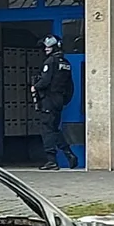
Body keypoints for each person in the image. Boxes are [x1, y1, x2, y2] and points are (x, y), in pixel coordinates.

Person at [31, 35, 78, 171]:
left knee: (47, 130)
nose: (46, 49)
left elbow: (45, 81)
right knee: (54, 128)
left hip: (49, 100)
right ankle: (69, 154)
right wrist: (64, 100)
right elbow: (70, 86)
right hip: (58, 100)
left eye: (48, 47)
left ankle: (51, 160)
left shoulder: (50, 62)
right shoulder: (66, 63)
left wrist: (35, 87)